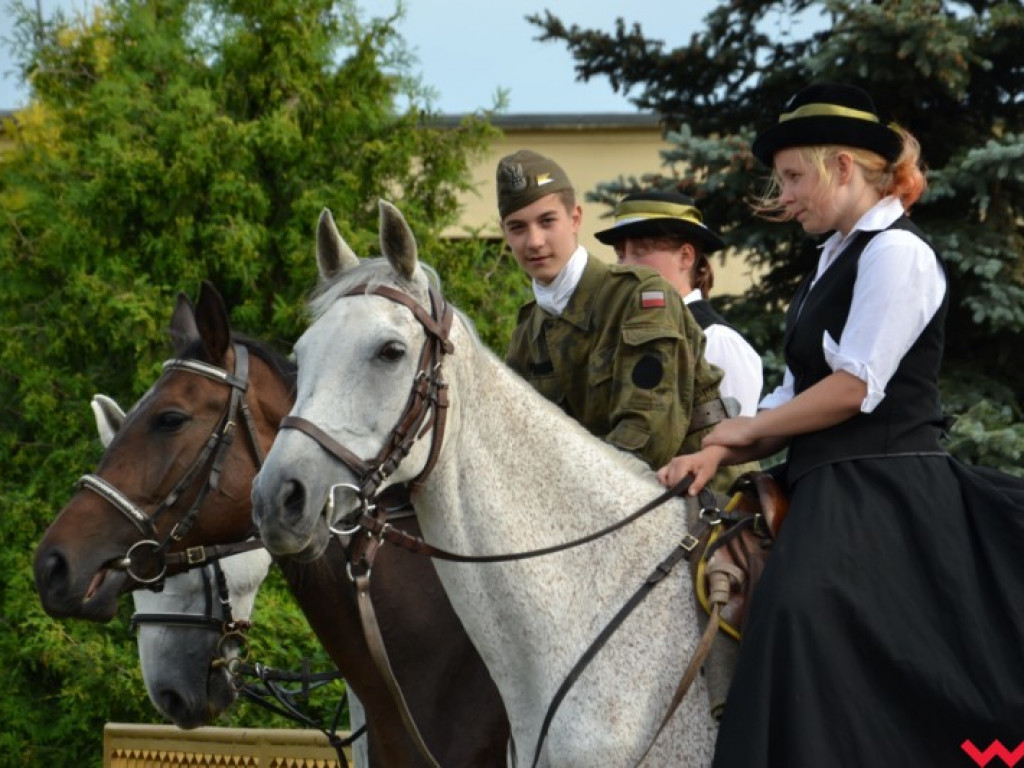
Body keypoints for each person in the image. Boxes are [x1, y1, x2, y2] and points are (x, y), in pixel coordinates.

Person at [658, 83, 1024, 766]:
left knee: (799, 608)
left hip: (883, 485)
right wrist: (715, 452)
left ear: (844, 167)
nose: (785, 196)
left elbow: (855, 388)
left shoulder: (897, 253)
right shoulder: (831, 258)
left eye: (795, 177)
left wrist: (740, 433)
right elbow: (794, 393)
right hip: (823, 478)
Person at [496, 148, 729, 471]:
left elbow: (647, 435)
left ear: (575, 218)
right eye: (518, 227)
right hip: (605, 496)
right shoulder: (527, 333)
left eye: (547, 221)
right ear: (505, 234)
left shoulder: (640, 298)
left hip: (704, 491)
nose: (534, 241)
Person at [595, 190, 764, 417]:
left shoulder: (717, 341)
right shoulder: (622, 333)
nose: (623, 267)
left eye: (639, 253)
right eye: (620, 255)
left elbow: (733, 434)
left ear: (686, 256)